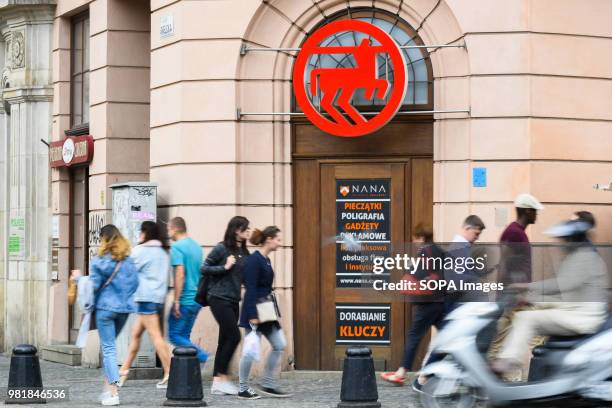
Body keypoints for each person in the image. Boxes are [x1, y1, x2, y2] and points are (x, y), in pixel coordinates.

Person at [493, 219, 609, 375]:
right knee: (529, 307)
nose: (560, 244)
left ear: (571, 240)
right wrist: (529, 298)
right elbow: (567, 296)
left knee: (526, 319)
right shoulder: (579, 256)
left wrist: (527, 286)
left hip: (582, 317)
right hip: (575, 308)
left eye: (563, 240)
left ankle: (508, 362)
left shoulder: (585, 257)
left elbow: (562, 285)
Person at [414, 215, 487, 392]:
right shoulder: (459, 248)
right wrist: (477, 281)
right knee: (450, 343)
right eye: (476, 233)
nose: (477, 237)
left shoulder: (462, 247)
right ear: (467, 228)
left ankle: (465, 380)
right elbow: (456, 279)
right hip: (454, 304)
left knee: (454, 343)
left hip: (458, 304)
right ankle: (424, 378)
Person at [71, 225, 138, 406]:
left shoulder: (100, 260)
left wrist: (78, 279)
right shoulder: (129, 261)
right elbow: (135, 284)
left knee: (108, 350)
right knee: (110, 348)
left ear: (103, 239)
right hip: (124, 310)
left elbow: (92, 285)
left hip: (105, 310)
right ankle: (107, 389)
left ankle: (114, 392)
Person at [381, 224, 446, 386]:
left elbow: (421, 273)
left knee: (414, 336)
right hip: (439, 302)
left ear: (422, 238)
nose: (414, 241)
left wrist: (407, 279)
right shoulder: (439, 250)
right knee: (448, 336)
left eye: (415, 238)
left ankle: (402, 372)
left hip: (427, 303)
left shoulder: (426, 251)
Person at [488, 194, 544, 379]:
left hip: (513, 294)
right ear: (527, 211)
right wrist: (508, 292)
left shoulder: (517, 231)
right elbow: (504, 263)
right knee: (535, 335)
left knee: (503, 338)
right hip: (514, 295)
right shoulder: (514, 233)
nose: (537, 215)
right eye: (535, 211)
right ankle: (518, 380)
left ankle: (500, 380)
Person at [238, 226, 292, 400]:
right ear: (269, 239)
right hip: (254, 310)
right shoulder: (254, 261)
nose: (280, 243)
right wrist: (252, 315)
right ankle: (243, 388)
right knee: (250, 350)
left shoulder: (265, 260)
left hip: (266, 309)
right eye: (278, 239)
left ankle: (268, 383)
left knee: (279, 344)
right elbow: (251, 288)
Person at [118, 221, 171, 389]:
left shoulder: (140, 251)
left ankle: (170, 372)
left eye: (141, 231)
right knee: (136, 335)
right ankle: (124, 371)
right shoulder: (162, 252)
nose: (139, 234)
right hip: (156, 298)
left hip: (145, 298)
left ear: (145, 233)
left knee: (156, 336)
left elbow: (127, 271)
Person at [202, 216, 251, 396]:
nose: (249, 231)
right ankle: (220, 378)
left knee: (224, 339)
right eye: (246, 228)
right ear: (236, 230)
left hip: (233, 300)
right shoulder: (222, 248)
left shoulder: (244, 253)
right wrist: (225, 267)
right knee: (234, 337)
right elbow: (204, 268)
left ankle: (218, 381)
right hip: (218, 298)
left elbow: (245, 277)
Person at [167, 217, 208, 363]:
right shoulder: (196, 247)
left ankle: (203, 357)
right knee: (184, 337)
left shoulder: (177, 247)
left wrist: (176, 301)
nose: (168, 233)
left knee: (173, 335)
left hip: (185, 299)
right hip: (196, 299)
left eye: (169, 229)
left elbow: (180, 274)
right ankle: (189, 373)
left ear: (175, 228)